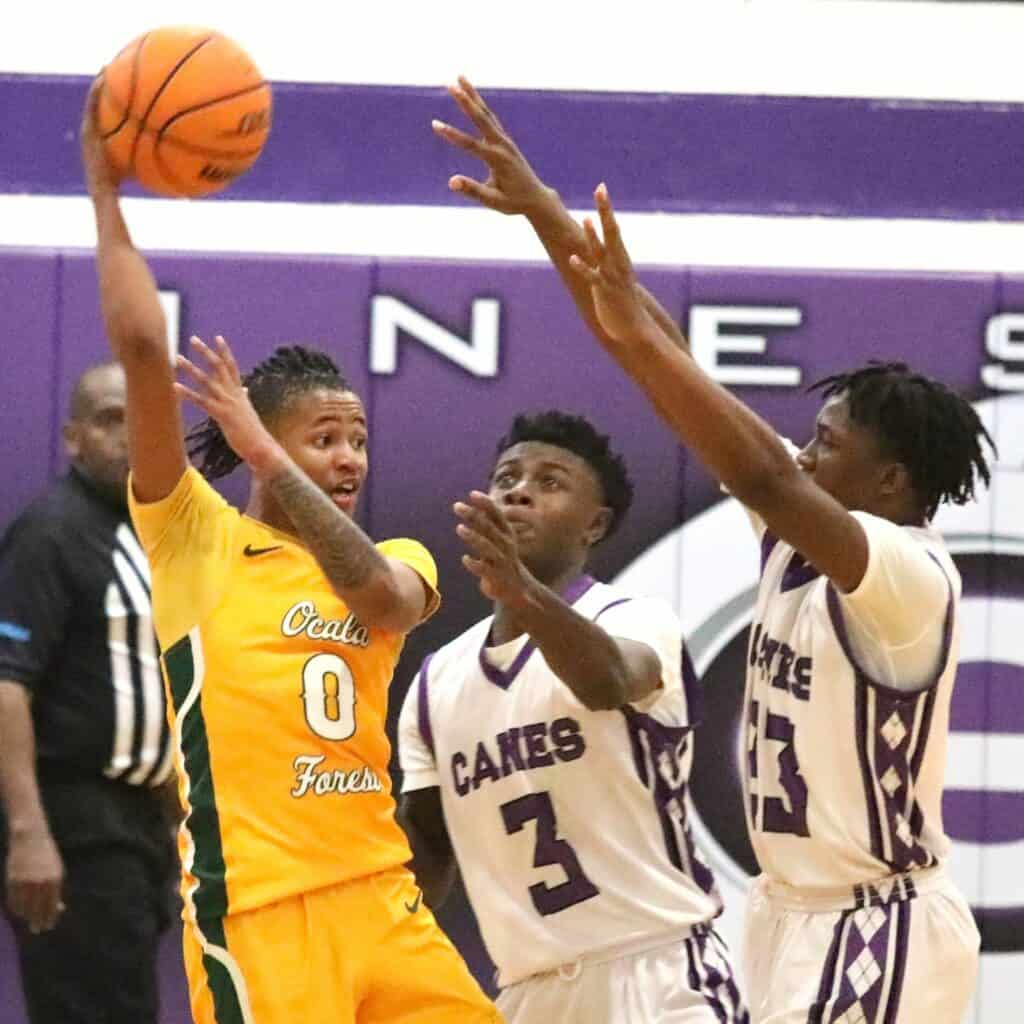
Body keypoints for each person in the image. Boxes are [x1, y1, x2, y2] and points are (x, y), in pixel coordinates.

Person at [440, 79, 990, 1022]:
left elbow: (763, 473)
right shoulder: (802, 531)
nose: (802, 451)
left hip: (879, 917)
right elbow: (654, 348)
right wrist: (546, 216)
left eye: (826, 444)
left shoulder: (907, 576)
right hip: (785, 914)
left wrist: (640, 338)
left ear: (889, 481)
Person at [80, 80, 500, 1024]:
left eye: (358, 439)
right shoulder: (195, 537)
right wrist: (105, 190)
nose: (350, 457)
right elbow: (142, 349)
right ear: (259, 438)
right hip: (261, 910)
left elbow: (385, 604)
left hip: (383, 897)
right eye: (324, 438)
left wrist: (272, 456)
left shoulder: (396, 554)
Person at [398, 410, 747, 1023]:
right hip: (530, 992)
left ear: (595, 525)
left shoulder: (635, 620)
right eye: (507, 478)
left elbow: (607, 681)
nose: (520, 491)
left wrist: (520, 591)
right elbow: (426, 854)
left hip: (659, 975)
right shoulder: (437, 680)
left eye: (550, 481)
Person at [0, 360, 176, 1023]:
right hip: (75, 822)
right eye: (110, 420)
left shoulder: (146, 535)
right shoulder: (51, 533)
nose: (131, 434)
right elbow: (7, 683)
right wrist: (28, 833)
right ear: (73, 438)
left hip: (137, 825)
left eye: (144, 418)